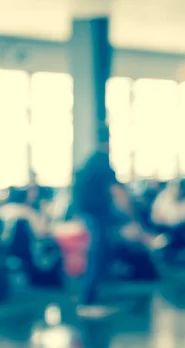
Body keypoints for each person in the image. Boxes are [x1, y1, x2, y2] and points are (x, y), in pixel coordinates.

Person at [72, 125, 124, 316]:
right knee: (96, 252)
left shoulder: (93, 160)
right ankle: (88, 299)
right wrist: (133, 219)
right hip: (93, 215)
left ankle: (92, 296)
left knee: (99, 251)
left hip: (89, 213)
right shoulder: (101, 160)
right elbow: (117, 192)